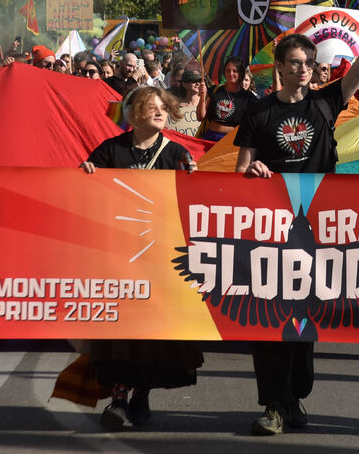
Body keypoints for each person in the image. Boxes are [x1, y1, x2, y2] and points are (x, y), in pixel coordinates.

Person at [235, 0, 359, 436]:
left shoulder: (328, 103)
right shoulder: (258, 111)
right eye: (293, 63)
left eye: (307, 63)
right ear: (279, 66)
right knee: (269, 323)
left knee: (304, 324)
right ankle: (273, 404)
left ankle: (294, 395)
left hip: (317, 231)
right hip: (269, 231)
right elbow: (240, 171)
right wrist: (253, 173)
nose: (301, 69)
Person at [79, 86, 202, 429]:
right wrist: (85, 171)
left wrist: (193, 180)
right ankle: (118, 399)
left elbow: (192, 199)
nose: (160, 112)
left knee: (152, 334)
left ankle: (142, 395)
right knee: (120, 330)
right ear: (135, 114)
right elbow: (83, 186)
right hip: (119, 256)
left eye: (164, 107)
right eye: (152, 107)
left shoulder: (176, 152)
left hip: (160, 258)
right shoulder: (111, 149)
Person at [200, 57, 258, 142]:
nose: (231, 73)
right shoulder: (214, 90)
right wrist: (202, 95)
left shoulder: (249, 98)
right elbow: (200, 117)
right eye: (228, 70)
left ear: (241, 73)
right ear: (224, 72)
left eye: (235, 71)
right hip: (210, 138)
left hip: (232, 142)